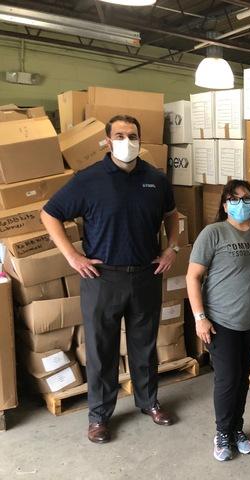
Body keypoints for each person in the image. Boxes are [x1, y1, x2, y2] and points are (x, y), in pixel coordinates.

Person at [41, 115, 179, 444]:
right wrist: (72, 256)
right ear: (107, 141)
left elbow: (171, 214)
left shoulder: (156, 179)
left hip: (146, 275)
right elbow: (49, 214)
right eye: (119, 135)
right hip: (102, 277)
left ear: (140, 140)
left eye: (132, 135)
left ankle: (148, 401)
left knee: (144, 345)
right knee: (102, 349)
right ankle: (99, 416)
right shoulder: (88, 180)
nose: (126, 141)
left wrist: (172, 247)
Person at [186, 180, 250, 462]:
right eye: (234, 199)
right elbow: (192, 277)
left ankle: (237, 429)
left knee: (242, 378)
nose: (241, 203)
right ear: (225, 205)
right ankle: (222, 433)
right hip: (220, 321)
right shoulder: (214, 233)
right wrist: (200, 318)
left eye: (247, 198)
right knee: (227, 380)